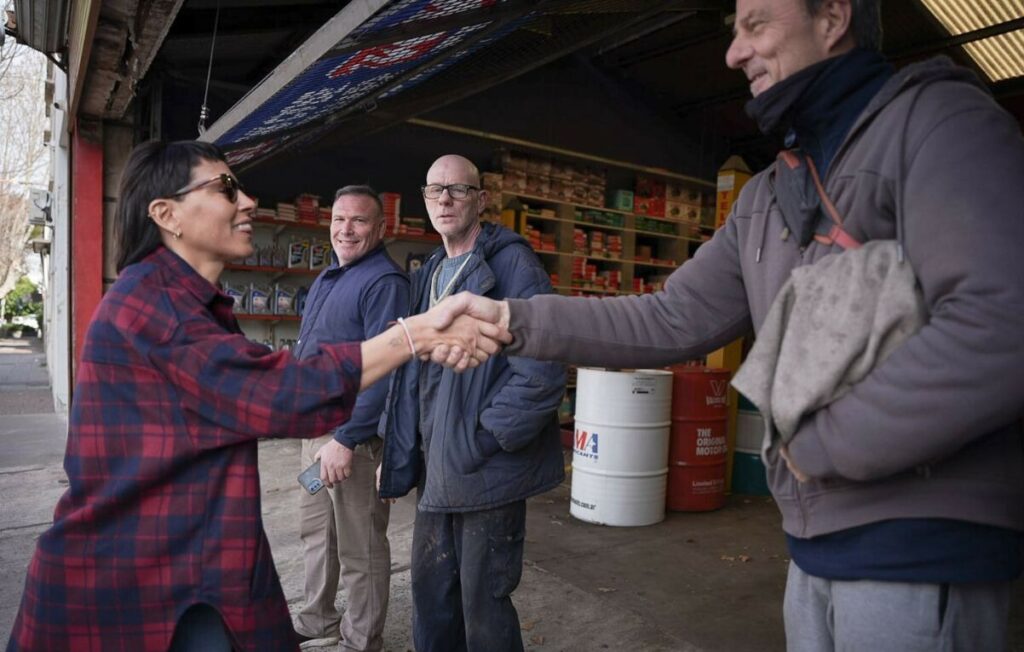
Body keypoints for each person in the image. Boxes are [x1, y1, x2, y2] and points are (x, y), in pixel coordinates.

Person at [435, 1, 1024, 649]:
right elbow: (671, 316)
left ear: (832, 17)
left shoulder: (941, 125)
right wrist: (512, 318)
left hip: (922, 542)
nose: (733, 53)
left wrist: (820, 444)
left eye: (756, 25)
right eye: (734, 31)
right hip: (814, 544)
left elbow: (1000, 323)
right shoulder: (766, 196)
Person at [5, 140, 505, 652]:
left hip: (187, 572)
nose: (247, 201)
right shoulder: (157, 309)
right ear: (167, 215)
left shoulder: (190, 303)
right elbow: (279, 391)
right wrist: (414, 335)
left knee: (357, 548)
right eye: (225, 189)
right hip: (126, 590)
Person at [377, 154, 566, 652]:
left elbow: (544, 368)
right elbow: (413, 374)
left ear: (481, 200)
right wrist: (399, 450)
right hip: (436, 468)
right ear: (423, 199)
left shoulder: (513, 265)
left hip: (485, 471)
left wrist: (484, 438)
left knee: (484, 610)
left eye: (458, 189)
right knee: (432, 597)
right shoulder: (429, 272)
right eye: (434, 190)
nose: (444, 199)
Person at [292, 185, 408, 651]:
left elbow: (386, 368)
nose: (346, 229)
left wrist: (346, 438)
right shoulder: (329, 276)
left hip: (351, 442)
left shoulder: (385, 283)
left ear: (381, 228)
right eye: (339, 219)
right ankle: (317, 619)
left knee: (360, 544)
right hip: (315, 430)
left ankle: (361, 640)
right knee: (316, 533)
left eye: (358, 220)